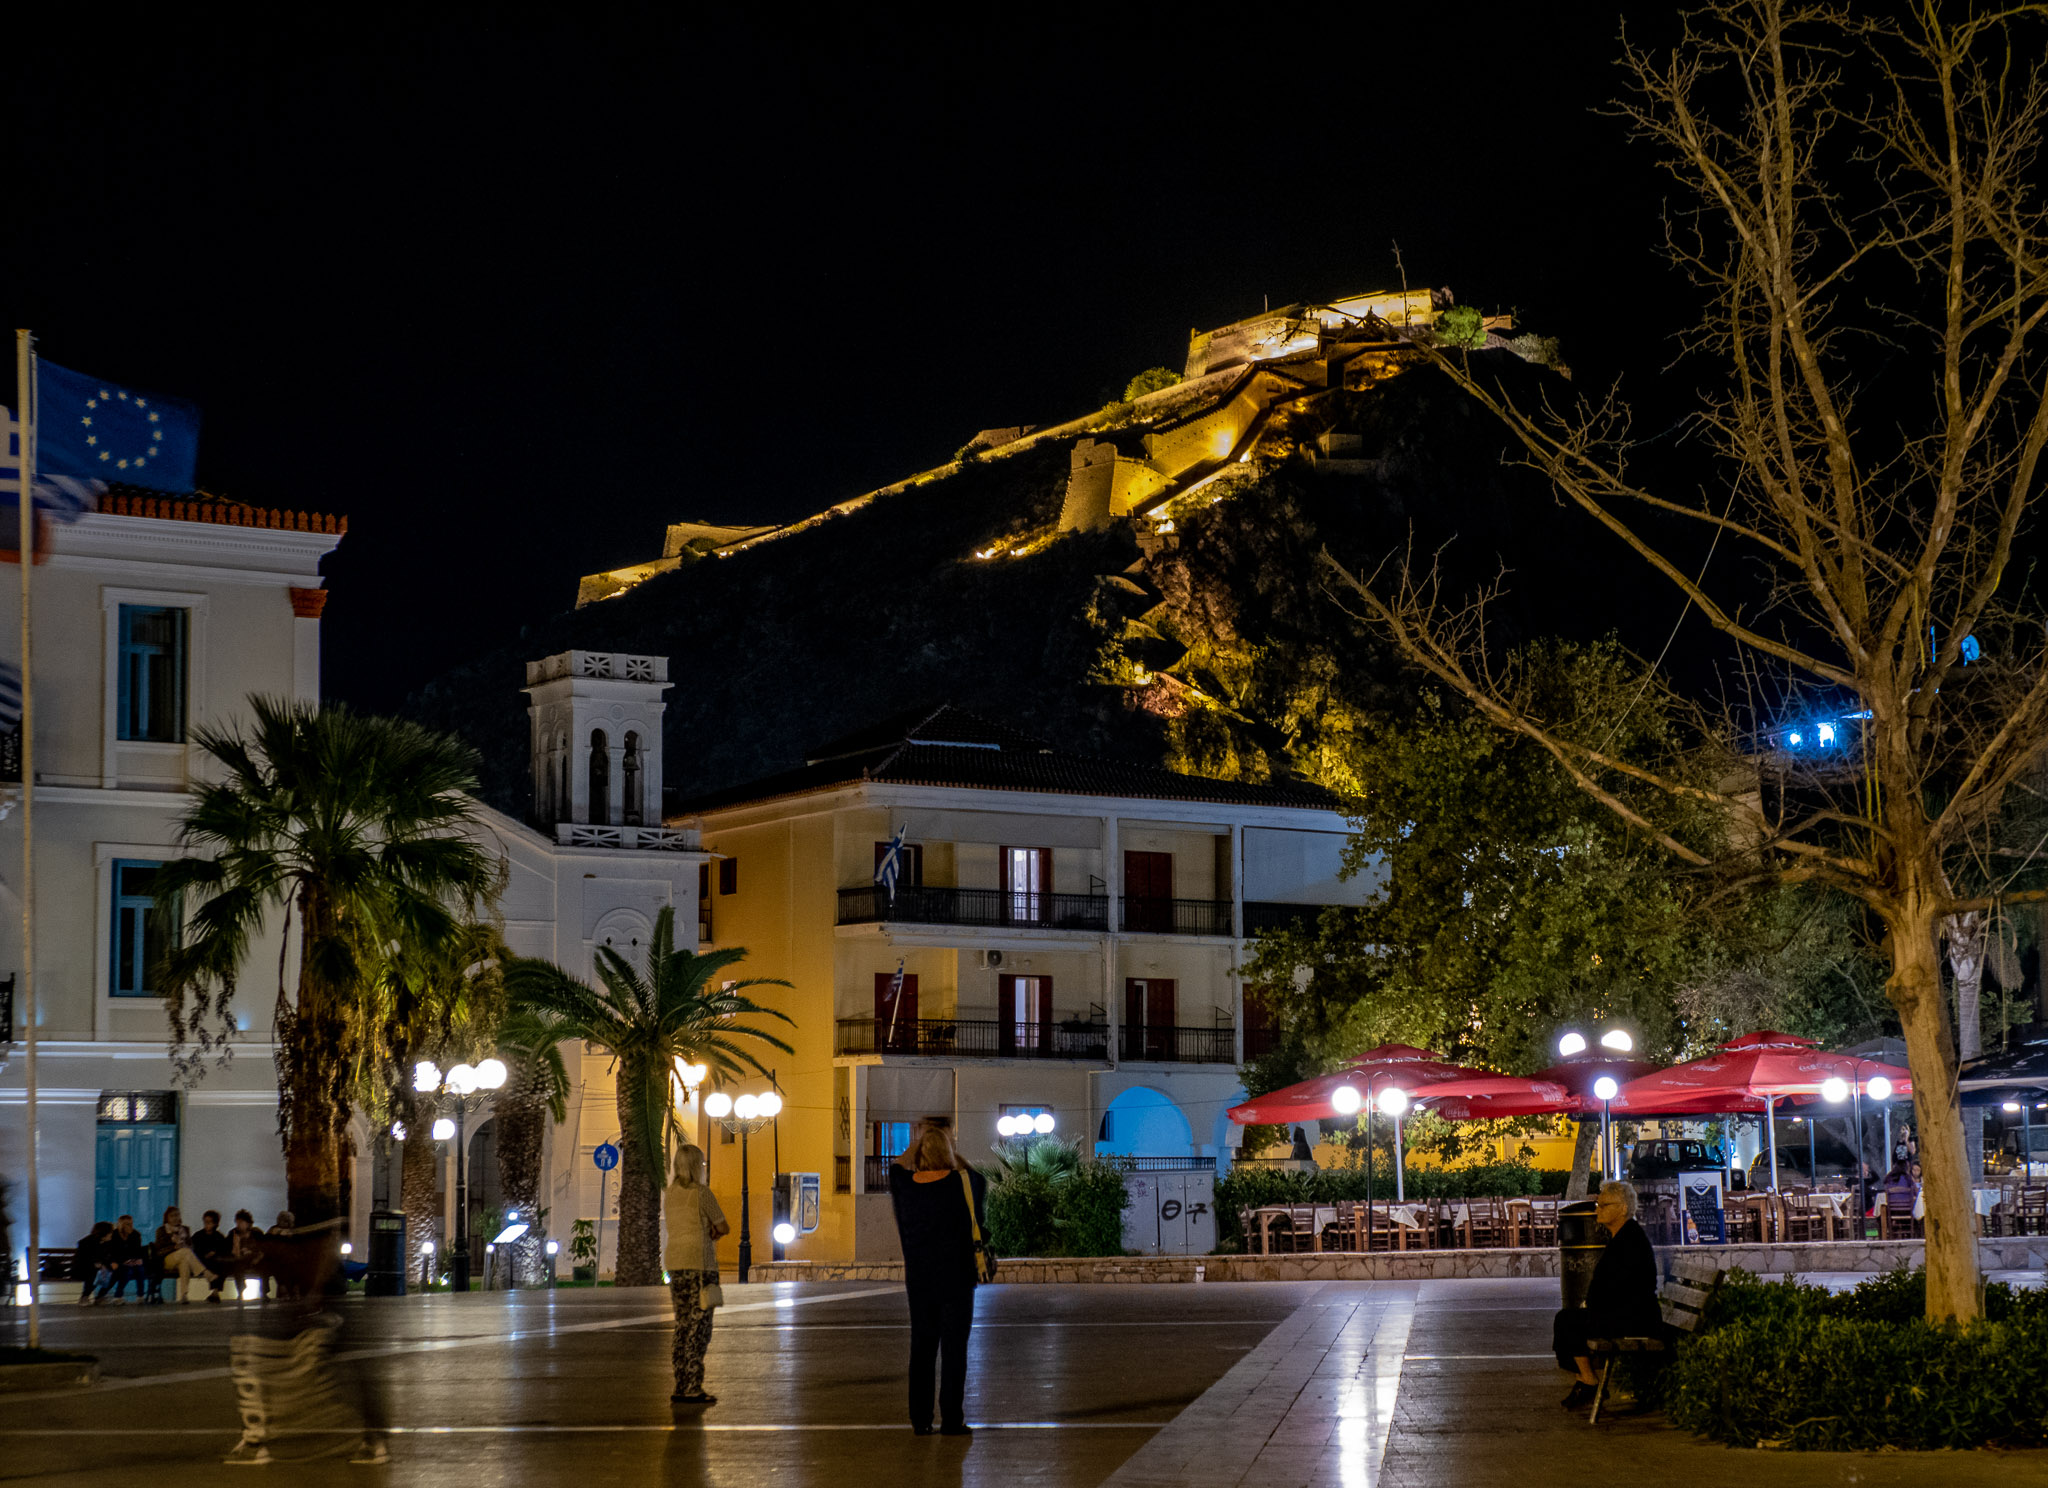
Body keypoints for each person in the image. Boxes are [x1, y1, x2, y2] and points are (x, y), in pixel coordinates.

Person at [888, 1121, 989, 1437]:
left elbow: (896, 1166)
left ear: (921, 1154)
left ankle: (920, 1420)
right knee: (954, 1350)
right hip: (958, 1279)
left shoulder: (905, 1186)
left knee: (922, 1348)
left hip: (919, 1281)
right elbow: (978, 1178)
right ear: (949, 1153)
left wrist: (918, 1144)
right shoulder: (963, 1183)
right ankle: (951, 1419)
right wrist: (950, 1151)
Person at [1552, 1181, 1660, 1408]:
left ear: (1622, 1209)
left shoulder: (1630, 1241)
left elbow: (1620, 1286)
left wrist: (1592, 1305)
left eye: (1603, 1205)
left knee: (1568, 1322)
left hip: (1635, 1319)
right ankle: (1585, 1379)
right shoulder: (1623, 1236)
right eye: (1597, 1205)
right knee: (1568, 1320)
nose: (1597, 1210)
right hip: (1626, 1313)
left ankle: (1588, 1381)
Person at [661, 1143, 730, 1406]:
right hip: (699, 1264)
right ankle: (692, 1386)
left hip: (674, 1262)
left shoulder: (670, 1194)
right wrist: (713, 1230)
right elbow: (723, 1225)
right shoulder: (702, 1194)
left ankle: (681, 1384)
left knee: (682, 1324)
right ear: (696, 1166)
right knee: (698, 1326)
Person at [153, 1206, 214, 1303]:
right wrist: (174, 1247)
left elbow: (191, 1247)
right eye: (172, 1216)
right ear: (167, 1218)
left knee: (184, 1261)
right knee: (185, 1252)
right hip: (167, 1259)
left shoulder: (185, 1229)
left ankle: (184, 1295)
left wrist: (184, 1245)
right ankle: (206, 1273)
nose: (175, 1218)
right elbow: (159, 1250)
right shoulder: (162, 1230)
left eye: (177, 1215)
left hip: (184, 1256)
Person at [95, 1215, 148, 1302]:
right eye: (127, 1224)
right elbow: (109, 1252)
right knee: (125, 1271)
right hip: (117, 1261)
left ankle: (140, 1295)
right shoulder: (113, 1235)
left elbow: (137, 1251)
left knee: (140, 1269)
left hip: (130, 1261)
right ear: (121, 1225)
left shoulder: (135, 1235)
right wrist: (116, 1261)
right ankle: (117, 1295)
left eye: (131, 1224)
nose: (130, 1227)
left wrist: (135, 1260)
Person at [190, 1210, 235, 1302]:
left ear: (215, 1224)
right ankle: (215, 1291)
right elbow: (194, 1250)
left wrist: (214, 1253)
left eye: (209, 1222)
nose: (207, 1225)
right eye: (205, 1222)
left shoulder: (219, 1237)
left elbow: (224, 1250)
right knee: (218, 1264)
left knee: (220, 1263)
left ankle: (215, 1291)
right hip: (201, 1261)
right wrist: (205, 1254)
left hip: (215, 1261)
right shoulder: (198, 1236)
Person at [74, 1221, 113, 1305]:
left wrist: (106, 1265)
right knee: (94, 1273)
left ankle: (101, 1296)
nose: (111, 1234)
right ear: (104, 1233)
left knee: (115, 1272)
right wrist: (97, 1264)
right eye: (110, 1232)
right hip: (84, 1267)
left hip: (100, 1266)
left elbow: (107, 1257)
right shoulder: (86, 1242)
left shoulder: (108, 1243)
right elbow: (83, 1259)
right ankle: (85, 1296)